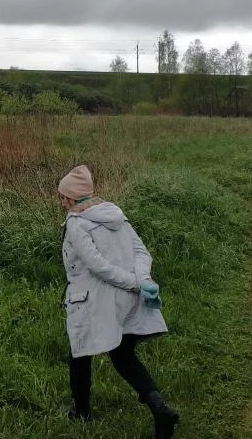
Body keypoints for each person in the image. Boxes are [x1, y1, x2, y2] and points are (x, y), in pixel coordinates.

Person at [58, 164, 179, 438]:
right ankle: (160, 409)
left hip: (92, 300)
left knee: (79, 350)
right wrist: (142, 279)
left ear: (71, 198)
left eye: (62, 196)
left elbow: (97, 266)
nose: (61, 201)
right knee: (123, 356)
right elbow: (141, 252)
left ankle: (81, 410)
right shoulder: (115, 215)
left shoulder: (77, 224)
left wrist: (137, 282)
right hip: (125, 298)